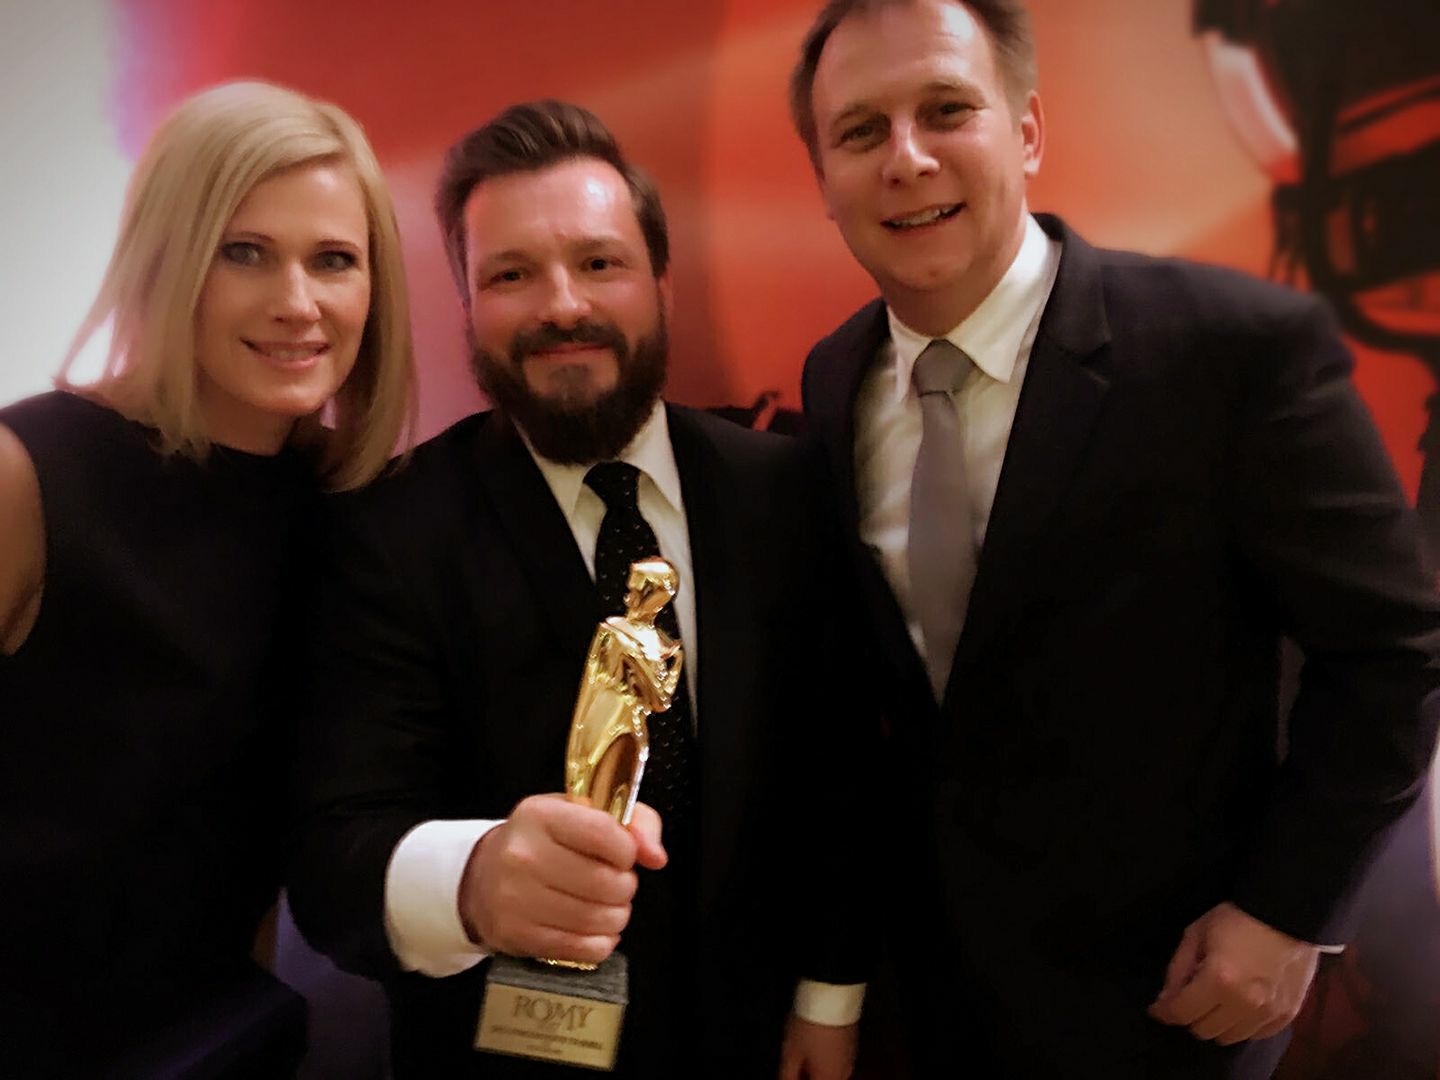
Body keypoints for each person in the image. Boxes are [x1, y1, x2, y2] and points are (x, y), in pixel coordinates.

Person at [787, 1, 1440, 1077]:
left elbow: (1396, 648)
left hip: (1177, 1004)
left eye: (946, 110)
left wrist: (1288, 913)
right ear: (824, 178)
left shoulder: (1234, 350)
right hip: (939, 1006)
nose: (906, 158)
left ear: (1027, 132)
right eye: (861, 131)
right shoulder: (832, 379)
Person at [286, 99, 866, 1079]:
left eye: (599, 263)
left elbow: (837, 767)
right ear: (467, 305)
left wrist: (829, 996)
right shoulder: (386, 534)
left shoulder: (784, 488)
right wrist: (473, 883)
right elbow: (333, 863)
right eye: (511, 275)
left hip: (763, 1037)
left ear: (660, 283)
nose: (562, 306)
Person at [0, 80, 415, 1076]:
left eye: (333, 259)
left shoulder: (348, 509)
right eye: (245, 252)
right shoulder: (27, 475)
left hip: (220, 1039)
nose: (297, 303)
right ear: (169, 257)